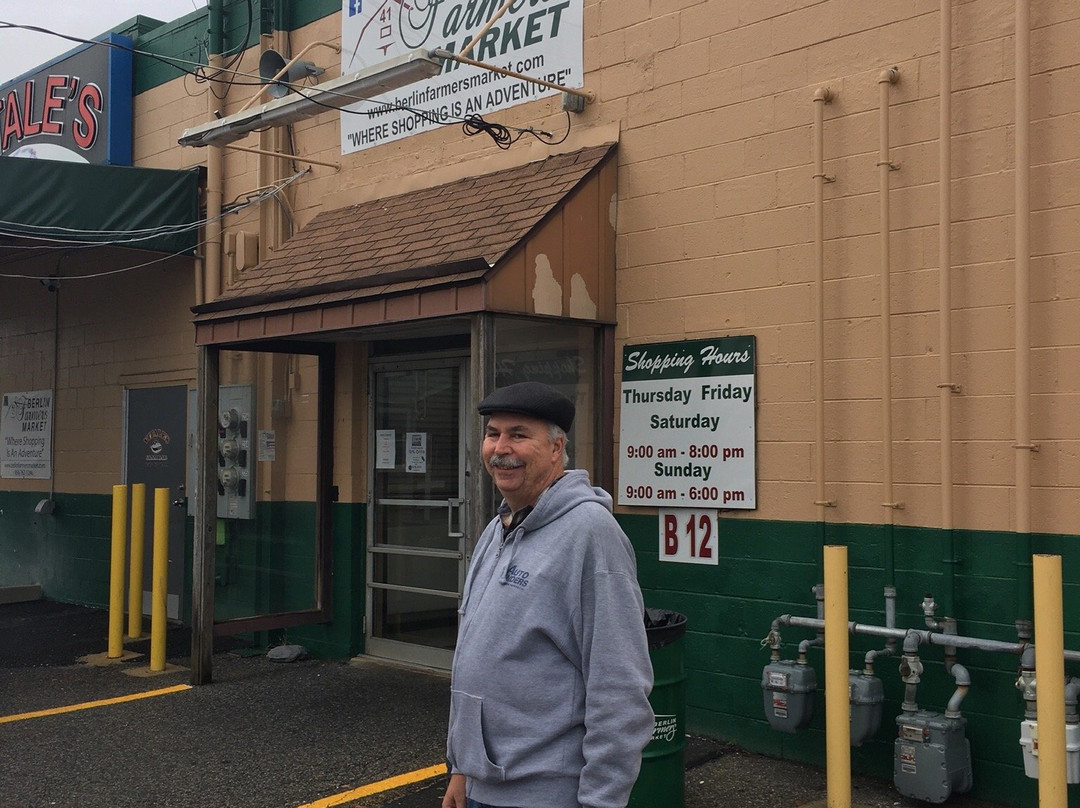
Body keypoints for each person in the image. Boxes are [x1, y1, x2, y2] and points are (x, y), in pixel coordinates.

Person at [442, 381, 654, 808]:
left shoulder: (591, 534)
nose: (501, 448)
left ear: (557, 449)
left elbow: (619, 688)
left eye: (519, 435)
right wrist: (462, 769)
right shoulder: (498, 528)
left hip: (549, 795)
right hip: (484, 786)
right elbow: (476, 658)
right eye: (492, 433)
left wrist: (601, 802)